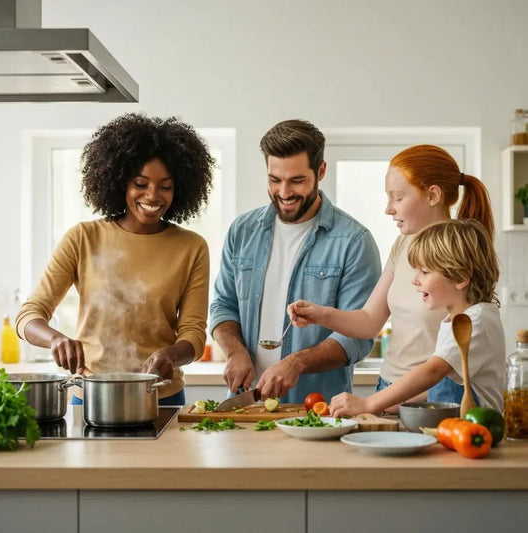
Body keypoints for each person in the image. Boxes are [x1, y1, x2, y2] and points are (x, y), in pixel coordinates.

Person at [15, 113, 214, 405]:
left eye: (165, 186)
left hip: (161, 398)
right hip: (92, 395)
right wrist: (56, 340)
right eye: (140, 183)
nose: (152, 195)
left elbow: (194, 334)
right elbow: (29, 315)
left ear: (180, 188)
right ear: (120, 182)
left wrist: (170, 355)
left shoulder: (191, 247)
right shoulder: (83, 238)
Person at [288, 144, 496, 406]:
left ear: (433, 195)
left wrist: (372, 403)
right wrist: (319, 314)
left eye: (397, 198)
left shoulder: (461, 252)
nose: (388, 209)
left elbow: (442, 364)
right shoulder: (402, 244)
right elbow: (368, 320)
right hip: (388, 386)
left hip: (435, 393)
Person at [209, 119, 381, 404]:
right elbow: (222, 305)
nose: (285, 192)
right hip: (245, 407)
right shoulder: (242, 231)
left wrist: (297, 362)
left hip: (317, 410)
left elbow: (358, 337)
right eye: (275, 180)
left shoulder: (353, 241)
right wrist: (235, 351)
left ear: (321, 171)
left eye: (297, 181)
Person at [327, 219, 505, 416]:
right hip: (457, 430)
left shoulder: (473, 322)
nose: (415, 280)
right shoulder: (458, 319)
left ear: (460, 278)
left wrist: (369, 403)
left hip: (478, 430)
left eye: (425, 272)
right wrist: (394, 404)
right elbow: (441, 382)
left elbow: (433, 372)